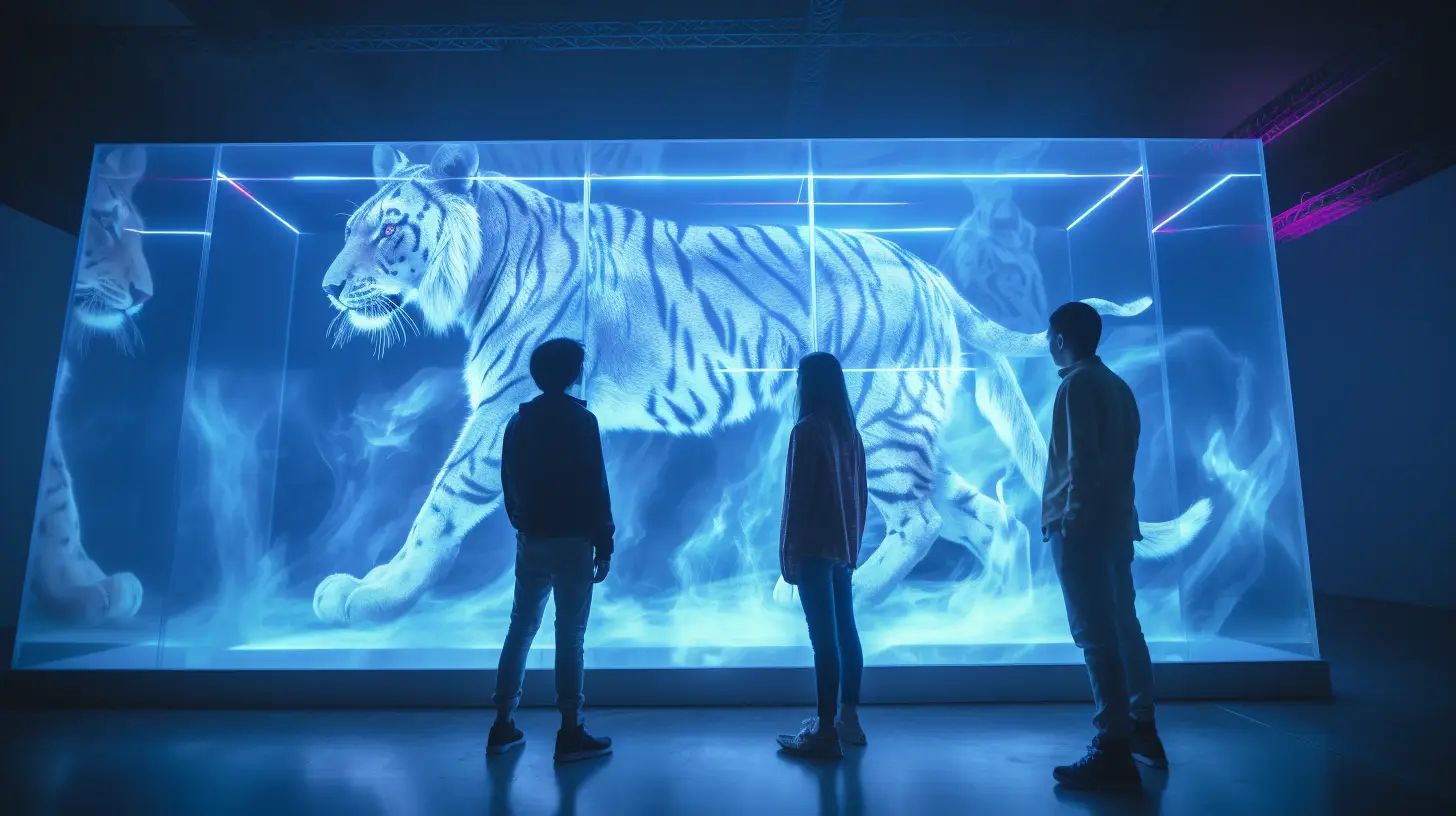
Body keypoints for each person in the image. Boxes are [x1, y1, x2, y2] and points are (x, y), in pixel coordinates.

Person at [1042, 302, 1169, 790]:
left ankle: (1111, 746)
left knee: (1094, 637)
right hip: (1117, 525)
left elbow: (1081, 463)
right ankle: (1142, 728)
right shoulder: (1117, 385)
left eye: (1050, 335)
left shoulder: (1076, 386)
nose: (1048, 342)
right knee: (1124, 628)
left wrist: (1070, 521)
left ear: (1060, 338)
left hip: (1084, 531)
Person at [488, 338, 615, 763]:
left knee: (520, 628)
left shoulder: (519, 423)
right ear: (574, 373)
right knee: (570, 636)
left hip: (533, 539)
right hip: (574, 541)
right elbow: (595, 485)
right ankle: (570, 730)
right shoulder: (583, 421)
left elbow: (509, 482)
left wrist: (522, 525)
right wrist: (605, 541)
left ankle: (502, 724)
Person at [775, 352, 869, 760]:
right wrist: (853, 546)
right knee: (846, 633)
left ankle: (825, 730)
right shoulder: (849, 431)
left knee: (823, 641)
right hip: (842, 549)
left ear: (807, 383)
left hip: (813, 548)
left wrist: (787, 555)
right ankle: (848, 720)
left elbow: (797, 499)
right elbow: (861, 496)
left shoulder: (807, 430)